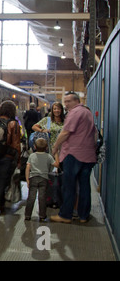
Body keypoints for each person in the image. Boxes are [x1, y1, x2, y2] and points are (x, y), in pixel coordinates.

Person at [51, 92, 97, 224]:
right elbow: (93, 134)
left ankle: (66, 215)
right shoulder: (87, 112)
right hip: (88, 155)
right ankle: (83, 216)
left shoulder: (74, 113)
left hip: (74, 154)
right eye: (65, 101)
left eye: (68, 101)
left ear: (77, 101)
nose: (65, 104)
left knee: (69, 185)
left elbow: (65, 132)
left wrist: (55, 147)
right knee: (84, 186)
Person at [25, 138, 59, 221]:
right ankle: (42, 215)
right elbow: (57, 165)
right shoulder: (48, 156)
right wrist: (56, 155)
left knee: (31, 197)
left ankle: (27, 215)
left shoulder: (32, 156)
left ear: (34, 147)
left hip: (33, 178)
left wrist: (27, 179)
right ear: (46, 147)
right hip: (44, 179)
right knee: (42, 197)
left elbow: (28, 167)